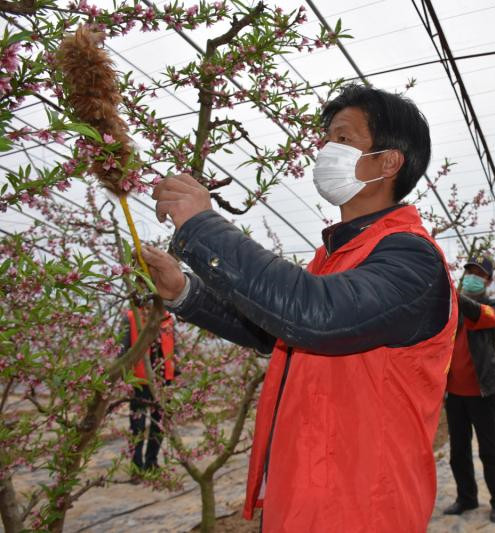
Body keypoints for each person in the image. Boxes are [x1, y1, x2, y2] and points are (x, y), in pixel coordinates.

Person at [140, 84, 457, 532]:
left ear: (388, 162)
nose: (326, 150)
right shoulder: (336, 255)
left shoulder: (411, 259)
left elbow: (314, 315)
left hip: (363, 507)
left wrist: (201, 225)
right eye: (327, 138)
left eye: (344, 139)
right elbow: (277, 333)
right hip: (307, 493)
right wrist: (183, 292)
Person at [443, 256, 495, 524]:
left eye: (479, 274)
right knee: (458, 450)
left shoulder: (494, 307)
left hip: (483, 392)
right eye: (469, 271)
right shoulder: (451, 310)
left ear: (488, 281)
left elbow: (479, 315)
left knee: (490, 449)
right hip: (455, 394)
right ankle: (466, 497)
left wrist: (450, 293)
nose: (472, 276)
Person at [121, 306, 176, 473]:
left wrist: (174, 371)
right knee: (137, 424)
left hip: (163, 380)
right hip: (139, 381)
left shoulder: (167, 318)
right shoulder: (131, 317)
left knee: (159, 424)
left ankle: (151, 463)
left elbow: (173, 346)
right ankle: (137, 466)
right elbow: (123, 349)